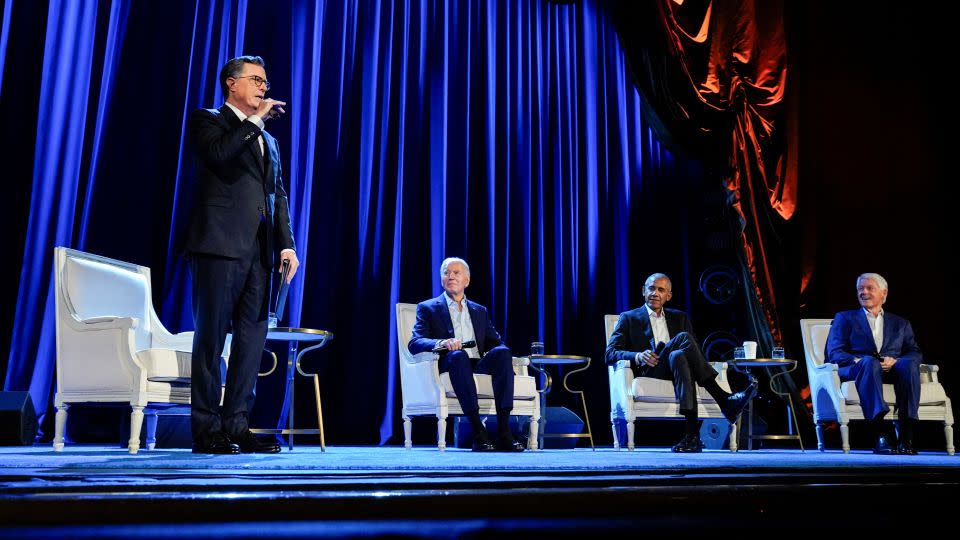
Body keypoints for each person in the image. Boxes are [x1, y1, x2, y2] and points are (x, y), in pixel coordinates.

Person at [185, 55, 299, 454]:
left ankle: (237, 424)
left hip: (260, 252)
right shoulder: (209, 119)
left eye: (265, 82)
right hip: (218, 245)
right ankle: (205, 428)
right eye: (256, 80)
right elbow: (218, 155)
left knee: (251, 341)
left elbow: (277, 195)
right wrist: (254, 123)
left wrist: (287, 243)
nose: (263, 88)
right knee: (211, 339)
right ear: (232, 84)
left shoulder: (269, 140)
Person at [605, 273, 757, 452]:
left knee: (679, 356)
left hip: (677, 367)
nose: (655, 293)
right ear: (643, 291)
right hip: (651, 369)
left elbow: (694, 352)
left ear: (668, 296)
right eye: (651, 288)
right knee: (683, 339)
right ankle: (724, 400)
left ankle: (691, 437)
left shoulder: (680, 318)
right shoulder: (629, 318)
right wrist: (638, 356)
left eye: (661, 290)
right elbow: (610, 353)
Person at [408, 257, 525, 452]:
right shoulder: (428, 308)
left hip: (477, 363)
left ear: (467, 281)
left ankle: (504, 431)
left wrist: (503, 361)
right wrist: (442, 343)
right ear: (441, 279)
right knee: (459, 356)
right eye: (446, 273)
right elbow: (414, 343)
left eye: (456, 273)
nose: (451, 276)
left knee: (503, 352)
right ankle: (478, 431)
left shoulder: (479, 311)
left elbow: (496, 343)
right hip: (450, 361)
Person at [825, 273, 922, 455]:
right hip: (858, 368)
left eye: (870, 288)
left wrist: (897, 361)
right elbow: (835, 352)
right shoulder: (845, 318)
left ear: (884, 294)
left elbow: (914, 352)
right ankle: (881, 432)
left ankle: (906, 435)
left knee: (908, 364)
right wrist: (858, 360)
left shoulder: (900, 323)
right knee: (869, 362)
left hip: (891, 369)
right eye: (860, 289)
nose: (864, 292)